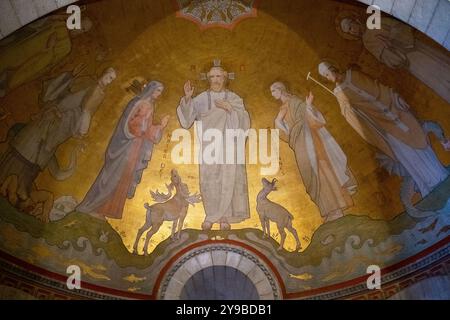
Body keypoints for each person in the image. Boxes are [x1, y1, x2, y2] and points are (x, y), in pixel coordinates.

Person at [318, 61, 449, 204]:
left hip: (393, 109)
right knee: (406, 153)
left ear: (333, 68)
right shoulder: (338, 94)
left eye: (329, 72)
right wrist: (347, 109)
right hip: (382, 125)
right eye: (326, 76)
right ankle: (428, 185)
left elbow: (376, 87)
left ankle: (440, 174)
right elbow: (350, 116)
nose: (329, 77)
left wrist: (394, 97)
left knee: (419, 139)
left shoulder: (353, 75)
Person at [0, 67, 116, 202]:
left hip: (62, 123)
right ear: (103, 73)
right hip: (50, 115)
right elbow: (64, 92)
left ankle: (22, 186)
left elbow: (87, 112)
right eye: (109, 77)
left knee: (41, 154)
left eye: (112, 80)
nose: (109, 81)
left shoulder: (99, 94)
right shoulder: (86, 80)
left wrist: (79, 126)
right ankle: (5, 176)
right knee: (29, 143)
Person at [77, 81, 170, 220]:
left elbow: (145, 129)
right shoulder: (139, 103)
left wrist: (158, 128)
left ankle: (103, 210)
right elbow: (133, 125)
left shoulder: (149, 105)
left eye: (160, 92)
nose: (158, 94)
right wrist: (159, 127)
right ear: (150, 89)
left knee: (123, 178)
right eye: (157, 91)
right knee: (113, 176)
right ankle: (92, 206)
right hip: (127, 146)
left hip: (135, 147)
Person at [177, 66, 250, 230]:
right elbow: (187, 121)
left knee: (227, 177)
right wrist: (188, 99)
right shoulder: (201, 99)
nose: (216, 80)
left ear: (225, 78)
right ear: (208, 79)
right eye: (212, 77)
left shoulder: (234, 98)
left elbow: (244, 121)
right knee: (209, 179)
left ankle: (224, 216)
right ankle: (211, 214)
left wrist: (230, 109)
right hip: (209, 147)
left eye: (219, 76)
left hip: (228, 147)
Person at [271, 82, 357, 222]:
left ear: (280, 90)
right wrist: (278, 120)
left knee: (322, 172)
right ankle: (328, 210)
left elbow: (309, 120)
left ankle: (337, 209)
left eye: (273, 91)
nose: (272, 94)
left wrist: (309, 106)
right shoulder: (282, 109)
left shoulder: (295, 102)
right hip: (300, 146)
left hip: (311, 142)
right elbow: (284, 134)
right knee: (311, 176)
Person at [336, 13, 450, 103]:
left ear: (356, 21)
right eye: (350, 31)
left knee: (441, 64)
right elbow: (387, 58)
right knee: (435, 78)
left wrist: (394, 37)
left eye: (351, 27)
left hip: (415, 47)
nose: (353, 31)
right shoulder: (367, 42)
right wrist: (391, 52)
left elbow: (398, 26)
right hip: (410, 60)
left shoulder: (374, 21)